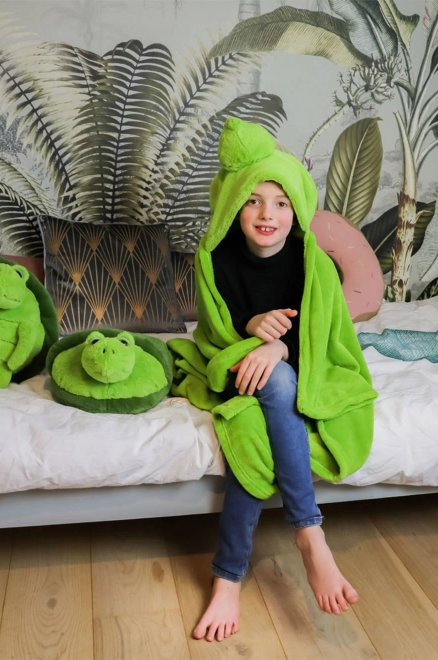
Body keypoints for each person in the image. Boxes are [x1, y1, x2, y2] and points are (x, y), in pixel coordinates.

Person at [167, 118, 377, 643]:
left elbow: (323, 334)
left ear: (296, 208)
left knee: (259, 428)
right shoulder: (214, 258)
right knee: (274, 383)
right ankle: (310, 533)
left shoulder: (312, 262)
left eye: (281, 203)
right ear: (232, 205)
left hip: (292, 367)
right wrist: (249, 329)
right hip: (238, 365)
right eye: (254, 201)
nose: (268, 214)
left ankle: (228, 577)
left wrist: (280, 345)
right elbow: (216, 328)